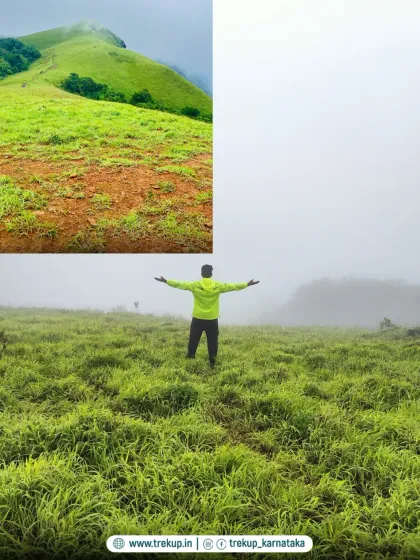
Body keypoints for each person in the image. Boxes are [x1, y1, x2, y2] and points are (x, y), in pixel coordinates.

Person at [154, 265, 260, 367]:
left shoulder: (194, 285)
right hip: (212, 319)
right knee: (212, 341)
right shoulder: (218, 286)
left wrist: (166, 281)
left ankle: (190, 358)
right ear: (211, 274)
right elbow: (233, 287)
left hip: (197, 317)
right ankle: (212, 362)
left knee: (193, 339)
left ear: (201, 273)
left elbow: (180, 284)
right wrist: (247, 284)